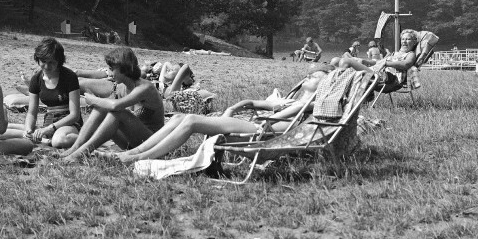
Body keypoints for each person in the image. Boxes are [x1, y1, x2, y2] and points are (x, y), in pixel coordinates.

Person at [117, 68, 330, 164]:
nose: (308, 76)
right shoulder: (295, 99)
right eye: (308, 74)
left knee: (190, 120)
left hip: (264, 130)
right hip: (256, 123)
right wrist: (232, 111)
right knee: (178, 117)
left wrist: (272, 109)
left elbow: (281, 117)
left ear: (325, 84)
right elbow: (257, 104)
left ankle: (139, 158)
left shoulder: (311, 103)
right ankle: (136, 152)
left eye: (316, 76)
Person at [61, 46, 165, 162]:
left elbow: (115, 106)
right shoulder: (122, 87)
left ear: (124, 69)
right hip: (132, 143)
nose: (109, 73)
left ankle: (81, 153)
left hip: (153, 143)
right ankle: (76, 148)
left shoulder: (145, 88)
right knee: (101, 108)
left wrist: (94, 100)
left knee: (117, 114)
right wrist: (95, 101)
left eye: (111, 69)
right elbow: (106, 106)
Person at [13, 38, 81, 148]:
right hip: (49, 120)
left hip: (68, 122)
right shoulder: (36, 79)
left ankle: (87, 138)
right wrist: (28, 129)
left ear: (59, 61)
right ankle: (46, 140)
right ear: (38, 59)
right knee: (0, 132)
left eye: (51, 62)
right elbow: (31, 112)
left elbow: (74, 115)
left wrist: (50, 128)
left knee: (59, 141)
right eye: (43, 62)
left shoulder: (70, 77)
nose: (47, 67)